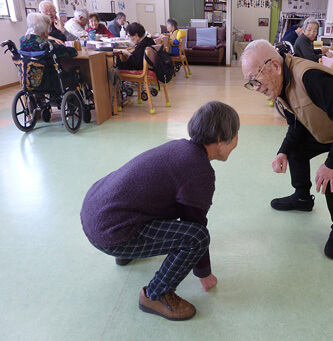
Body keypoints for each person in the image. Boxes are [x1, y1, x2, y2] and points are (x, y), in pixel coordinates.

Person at [80, 101, 240, 321]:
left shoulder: (180, 147)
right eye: (236, 134)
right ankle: (155, 294)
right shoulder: (200, 172)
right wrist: (204, 273)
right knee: (196, 239)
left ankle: (124, 253)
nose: (237, 140)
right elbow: (194, 226)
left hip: (95, 211)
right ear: (221, 139)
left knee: (150, 198)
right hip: (110, 232)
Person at [241, 40, 333, 260]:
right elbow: (297, 124)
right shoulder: (280, 85)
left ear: (273, 65)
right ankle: (302, 199)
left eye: (255, 80)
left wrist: (332, 164)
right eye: (250, 83)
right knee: (296, 150)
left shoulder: (310, 77)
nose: (255, 88)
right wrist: (283, 151)